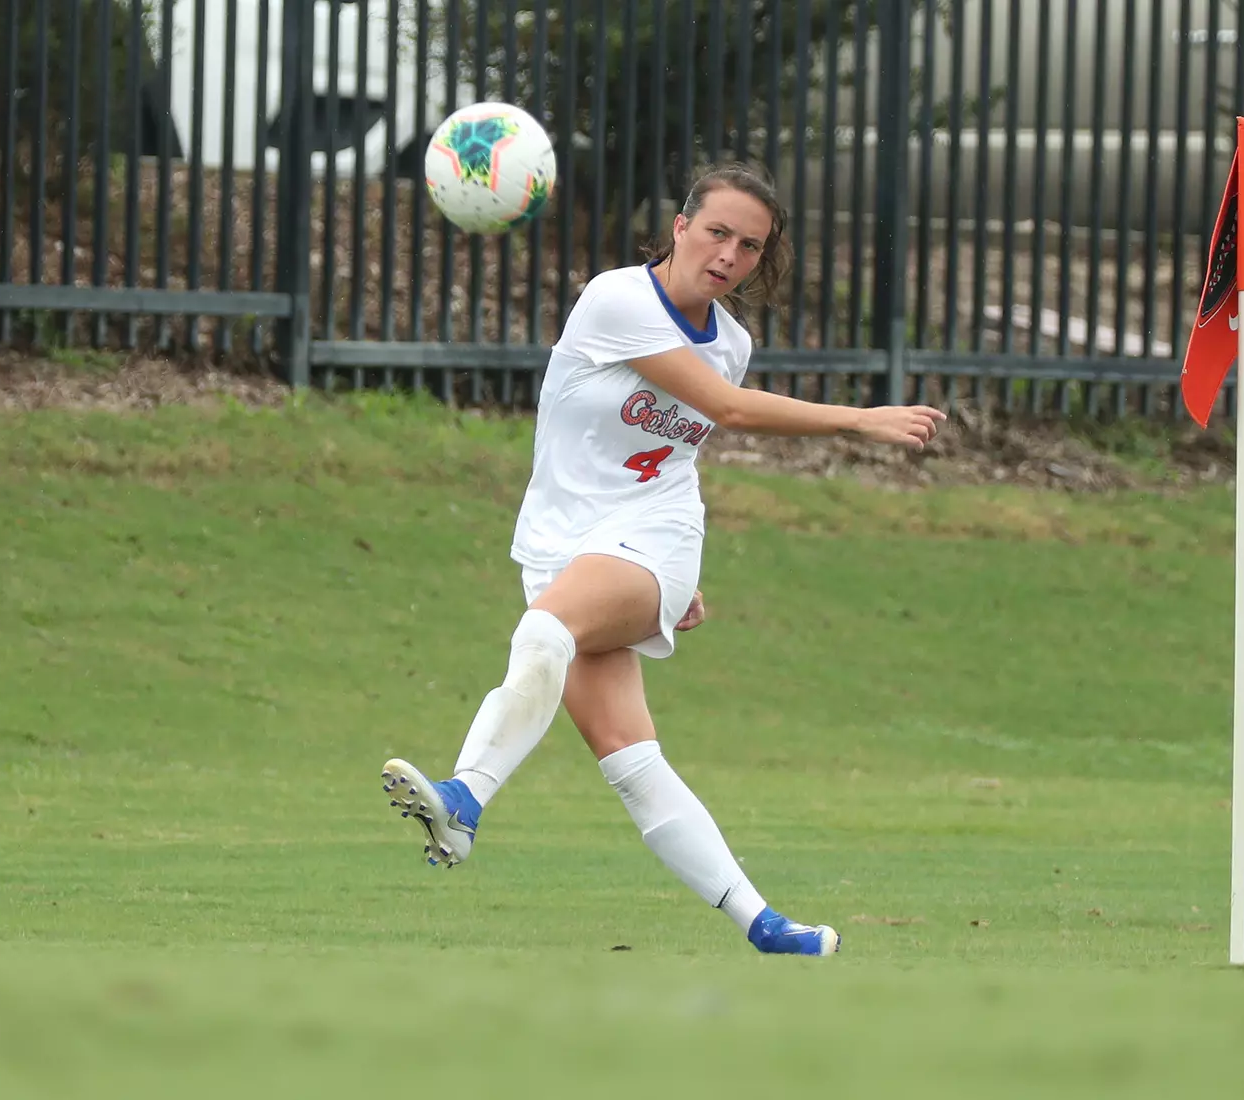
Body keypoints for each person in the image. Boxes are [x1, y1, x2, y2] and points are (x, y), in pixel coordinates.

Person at [380, 160, 945, 957]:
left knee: (543, 633)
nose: (729, 256)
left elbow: (695, 438)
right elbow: (722, 409)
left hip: (652, 539)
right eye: (717, 232)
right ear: (679, 227)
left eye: (749, 246)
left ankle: (463, 800)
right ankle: (767, 926)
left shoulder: (731, 343)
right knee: (632, 762)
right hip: (562, 546)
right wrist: (856, 418)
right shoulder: (617, 298)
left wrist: (667, 574)